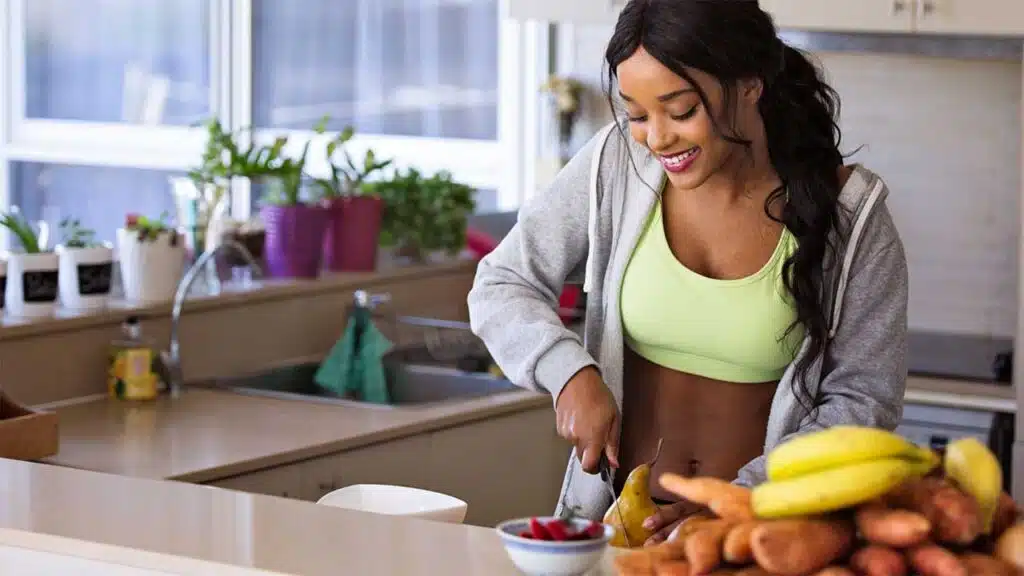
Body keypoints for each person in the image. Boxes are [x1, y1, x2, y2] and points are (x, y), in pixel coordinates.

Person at [467, 0, 908, 546]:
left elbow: (865, 400)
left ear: (750, 84)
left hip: (761, 535)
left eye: (679, 111)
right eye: (636, 114)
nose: (657, 138)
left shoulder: (851, 213)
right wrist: (568, 374)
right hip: (619, 530)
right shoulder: (615, 166)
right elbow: (501, 283)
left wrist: (741, 499)